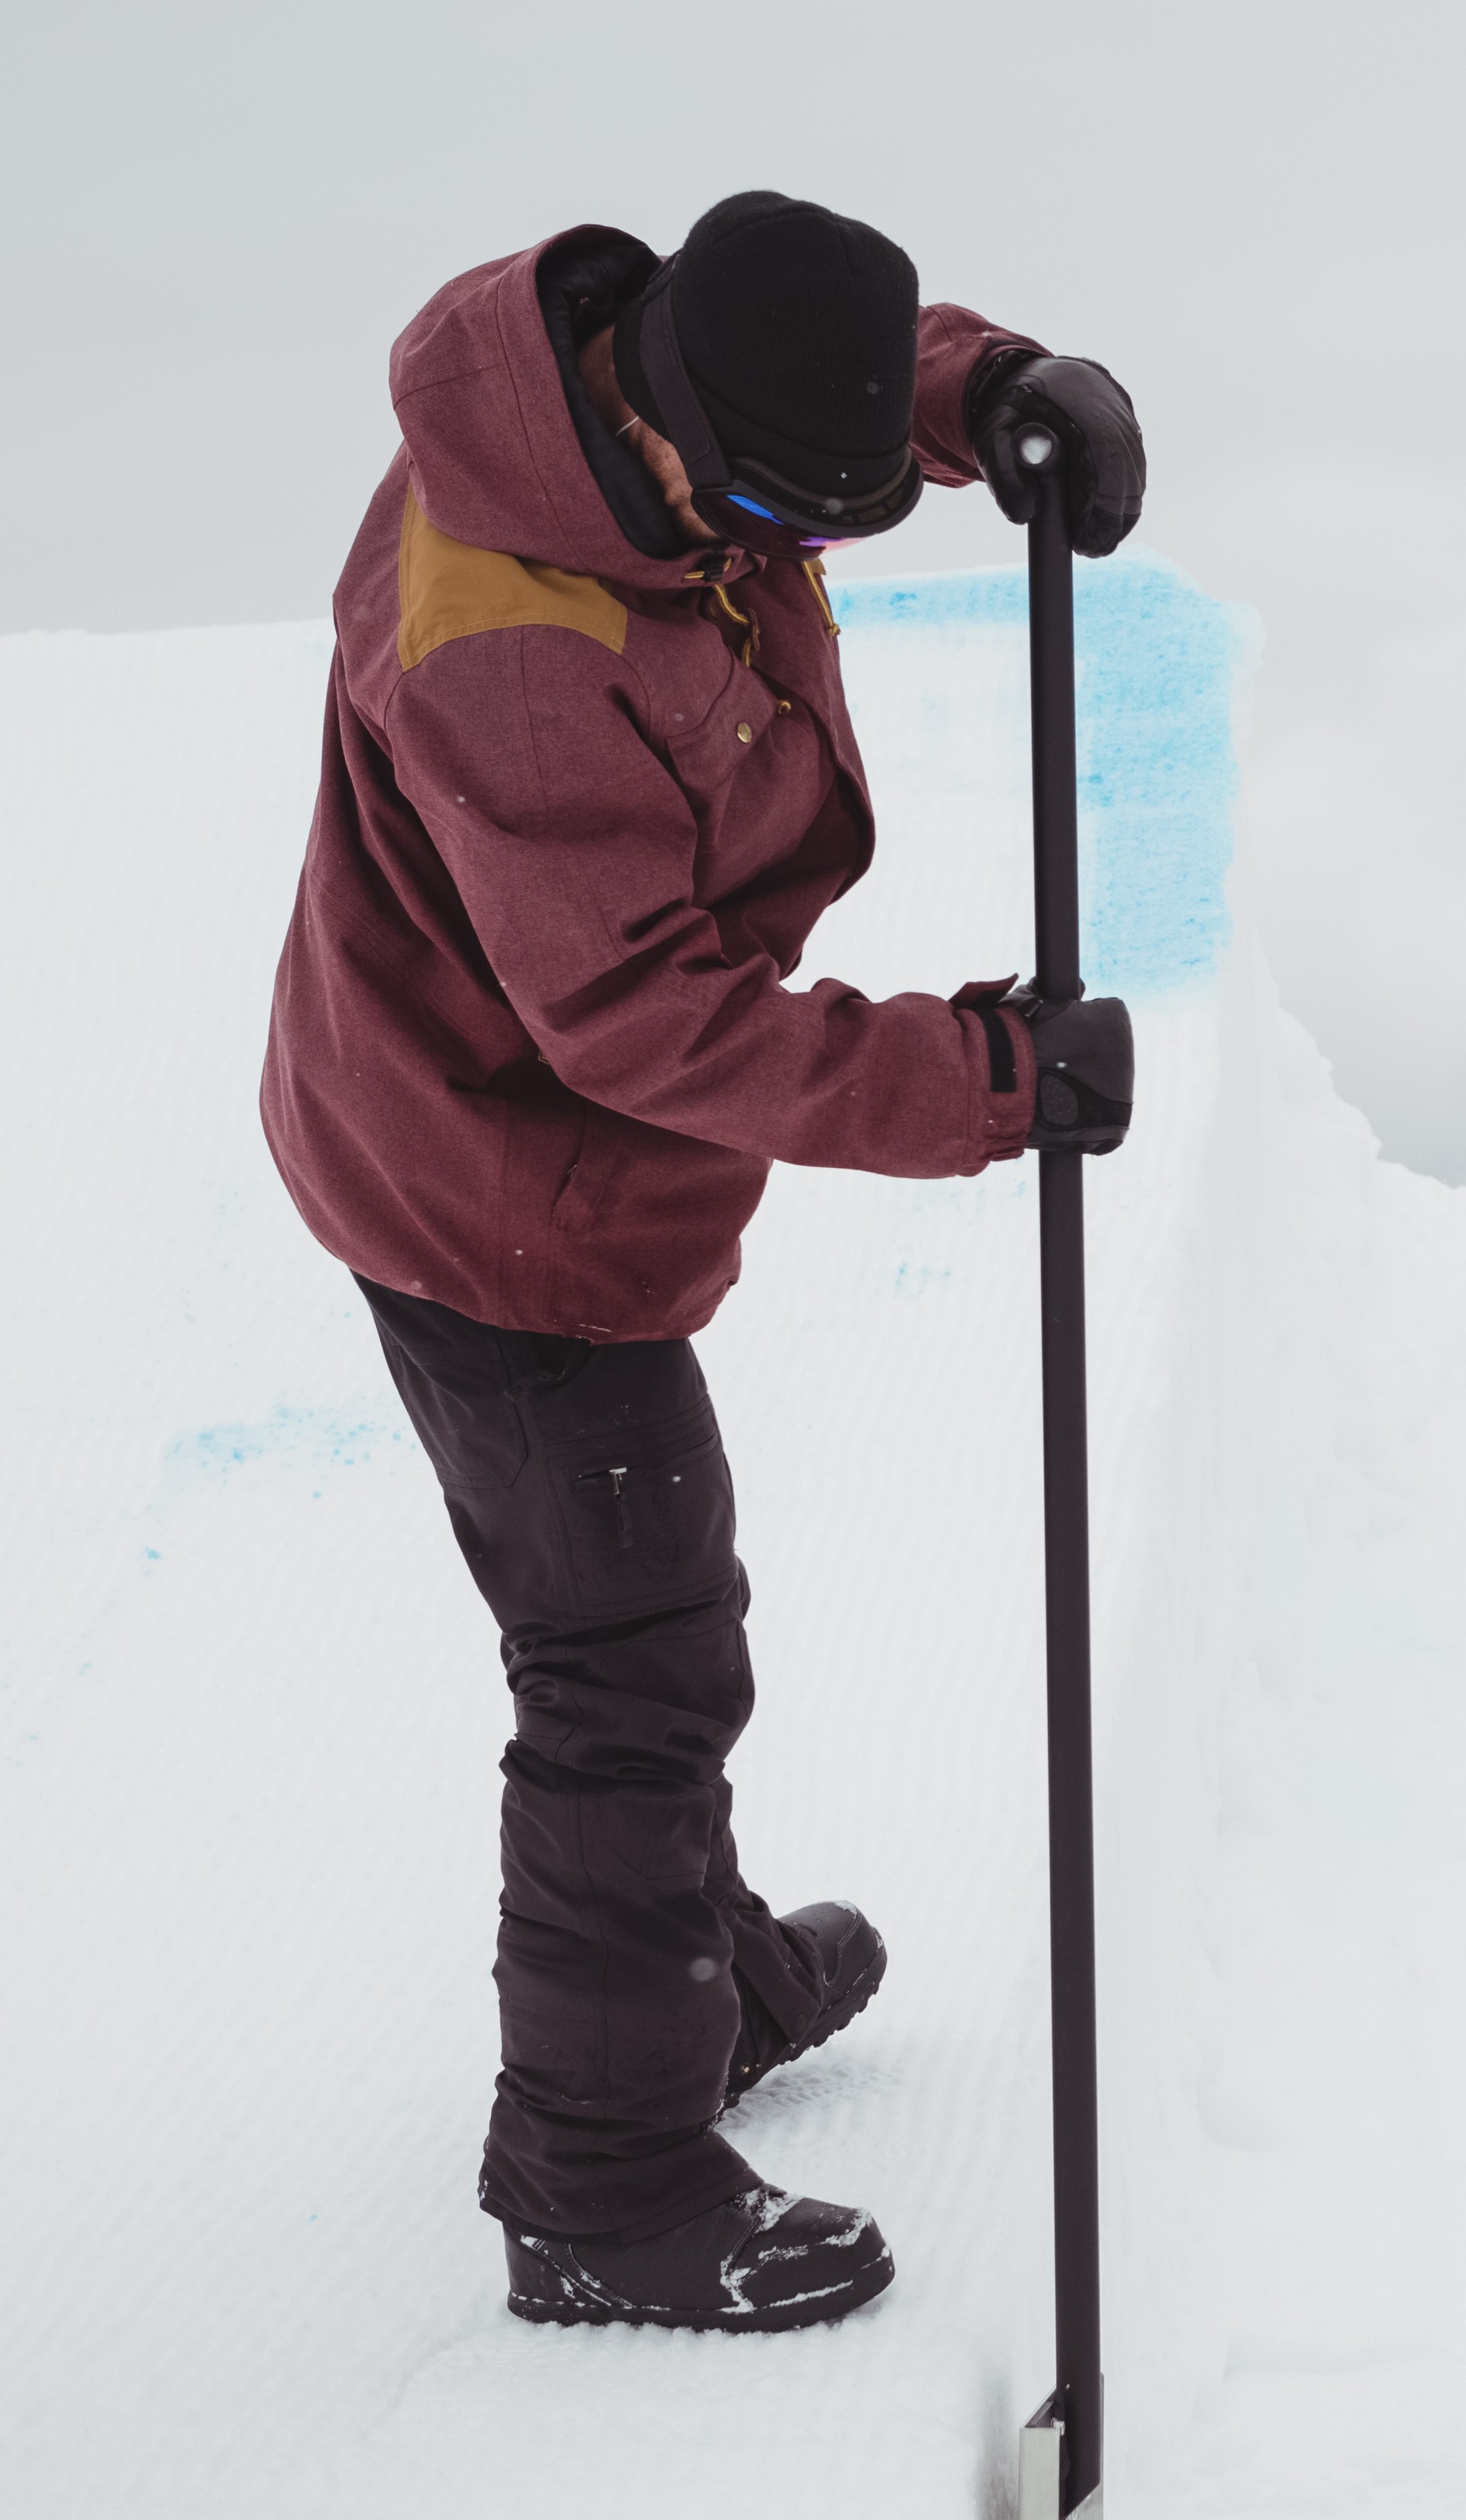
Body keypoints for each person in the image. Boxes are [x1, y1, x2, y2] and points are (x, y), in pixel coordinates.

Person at [258, 192, 1149, 2335]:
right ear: (659, 435)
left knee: (639, 1618)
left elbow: (816, 338)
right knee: (629, 1664)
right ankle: (604, 2177)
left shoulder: (620, 406)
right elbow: (639, 1014)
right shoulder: (511, 647)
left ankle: (694, 1985)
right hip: (498, 1202)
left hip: (480, 1135)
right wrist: (979, 1079)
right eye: (758, 515)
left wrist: (990, 394)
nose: (780, 551)